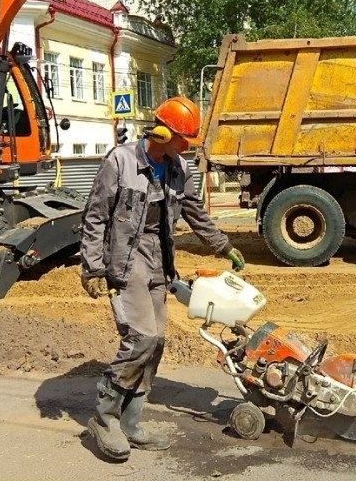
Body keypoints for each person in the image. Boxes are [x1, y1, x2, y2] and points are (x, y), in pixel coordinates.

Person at [79, 96, 245, 462]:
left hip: (158, 259)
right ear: (161, 132)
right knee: (141, 337)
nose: (184, 147)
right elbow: (94, 218)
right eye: (181, 139)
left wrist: (224, 246)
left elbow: (194, 212)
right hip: (126, 258)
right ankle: (104, 418)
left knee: (156, 344)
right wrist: (92, 267)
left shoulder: (177, 167)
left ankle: (132, 423)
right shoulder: (120, 162)